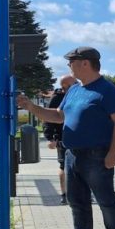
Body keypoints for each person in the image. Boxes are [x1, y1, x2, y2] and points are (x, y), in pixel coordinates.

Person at [17, 46, 115, 229]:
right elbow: (58, 116)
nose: (68, 65)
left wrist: (114, 152)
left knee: (106, 199)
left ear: (85, 63)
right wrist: (30, 107)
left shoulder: (107, 89)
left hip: (97, 155)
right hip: (71, 154)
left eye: (71, 62)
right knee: (76, 200)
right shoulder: (74, 90)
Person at [42, 75, 77, 205]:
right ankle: (64, 194)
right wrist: (50, 138)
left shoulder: (83, 94)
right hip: (63, 137)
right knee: (63, 166)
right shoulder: (57, 98)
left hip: (81, 138)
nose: (65, 89)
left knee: (84, 166)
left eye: (68, 86)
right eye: (63, 87)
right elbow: (48, 118)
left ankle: (84, 192)